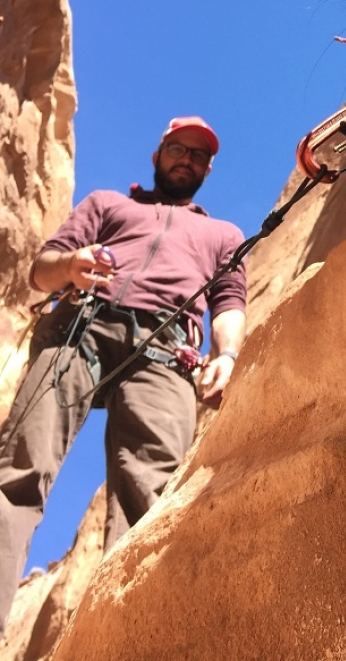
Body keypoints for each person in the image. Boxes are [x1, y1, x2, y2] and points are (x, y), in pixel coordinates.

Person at [0, 116, 247, 633]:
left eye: (198, 156)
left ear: (207, 169)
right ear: (158, 155)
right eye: (178, 149)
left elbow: (228, 302)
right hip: (82, 325)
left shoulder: (223, 235)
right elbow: (40, 270)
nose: (186, 160)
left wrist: (226, 354)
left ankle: (128, 639)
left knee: (150, 501)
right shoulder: (107, 205)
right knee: (20, 469)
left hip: (166, 348)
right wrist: (71, 264)